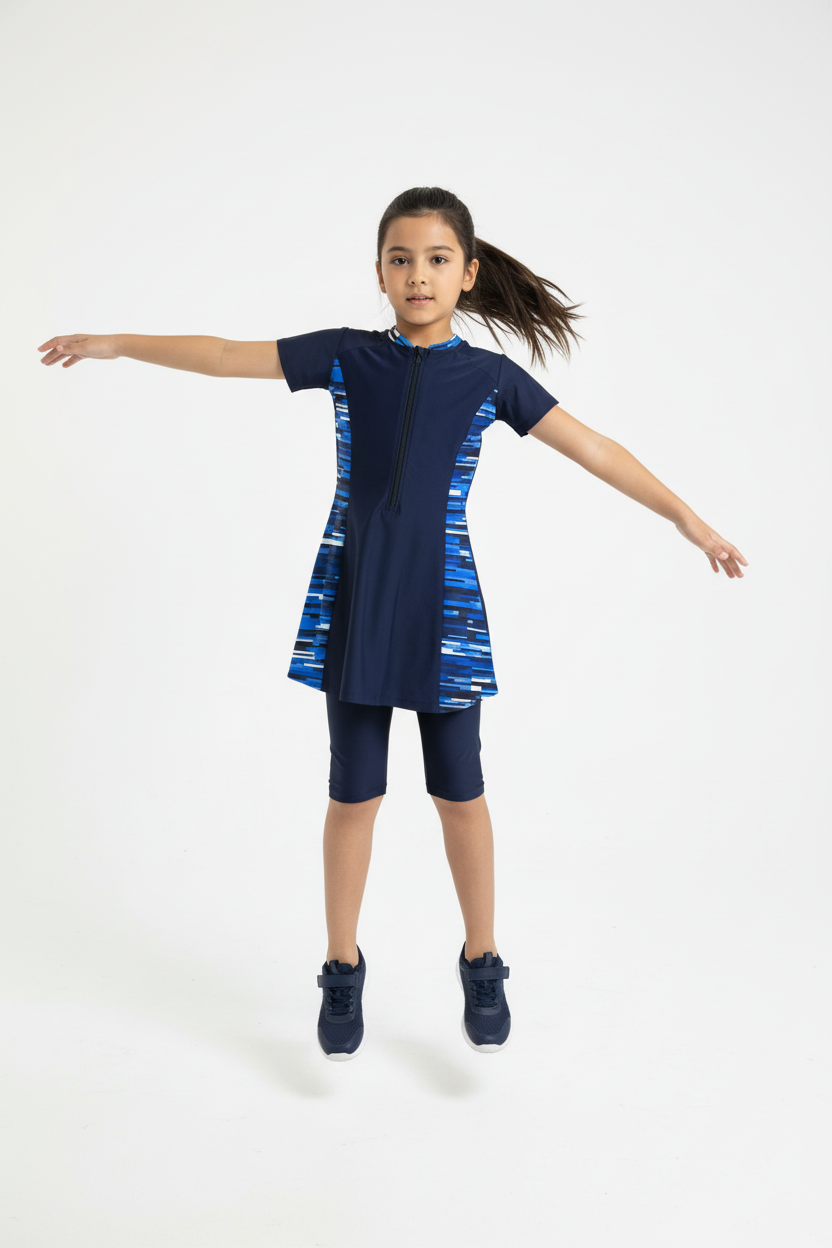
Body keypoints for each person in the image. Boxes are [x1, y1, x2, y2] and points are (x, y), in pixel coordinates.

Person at [37, 185, 748, 1065]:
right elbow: (222, 355)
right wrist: (113, 343)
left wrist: (689, 521)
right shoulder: (347, 356)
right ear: (378, 272)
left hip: (445, 610)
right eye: (401, 259)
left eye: (437, 259)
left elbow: (594, 447)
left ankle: (482, 960)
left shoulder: (489, 379)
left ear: (468, 273)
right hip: (357, 599)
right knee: (354, 794)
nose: (418, 274)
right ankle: (342, 966)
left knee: (461, 792)